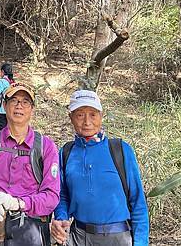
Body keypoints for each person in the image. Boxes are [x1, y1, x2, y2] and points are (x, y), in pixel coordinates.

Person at [51, 90, 149, 246]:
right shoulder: (66, 153)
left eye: (93, 114)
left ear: (101, 116)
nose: (87, 122)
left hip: (118, 237)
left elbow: (137, 201)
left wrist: (140, 242)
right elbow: (62, 194)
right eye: (80, 115)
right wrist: (61, 217)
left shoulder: (120, 150)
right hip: (79, 237)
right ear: (71, 118)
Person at [0, 83, 60, 246]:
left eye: (25, 101)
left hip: (31, 228)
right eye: (14, 100)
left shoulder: (45, 147)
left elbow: (52, 196)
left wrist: (20, 203)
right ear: (4, 105)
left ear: (32, 109)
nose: (19, 106)